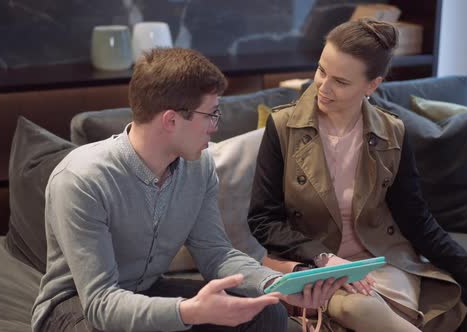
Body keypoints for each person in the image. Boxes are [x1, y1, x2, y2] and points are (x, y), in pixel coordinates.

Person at [248, 18, 467, 332]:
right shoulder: (283, 127)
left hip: (380, 262)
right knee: (356, 307)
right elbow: (265, 220)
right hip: (311, 265)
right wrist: (324, 258)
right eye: (321, 70)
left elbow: (417, 220)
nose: (323, 87)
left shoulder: (393, 133)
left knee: (365, 308)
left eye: (341, 81)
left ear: (372, 85)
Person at [31, 47, 344, 332]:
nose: (216, 126)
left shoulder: (199, 167)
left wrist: (279, 282)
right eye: (211, 114)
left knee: (267, 313)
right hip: (76, 308)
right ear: (170, 120)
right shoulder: (82, 179)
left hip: (147, 290)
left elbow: (215, 254)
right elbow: (100, 304)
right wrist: (188, 312)